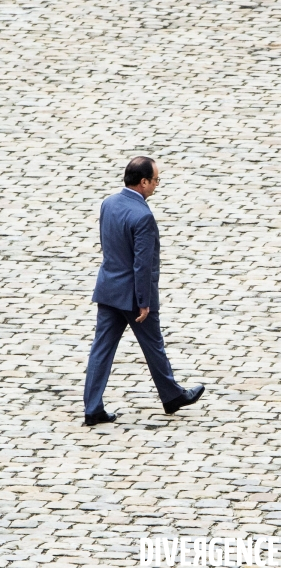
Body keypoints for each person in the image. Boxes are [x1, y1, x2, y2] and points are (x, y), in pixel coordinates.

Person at [83, 156, 204, 426]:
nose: (157, 185)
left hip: (108, 289)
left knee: (100, 350)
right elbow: (143, 265)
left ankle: (92, 408)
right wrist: (144, 302)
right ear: (143, 182)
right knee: (153, 346)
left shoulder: (109, 203)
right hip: (133, 296)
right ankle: (173, 396)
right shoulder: (143, 216)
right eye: (156, 180)